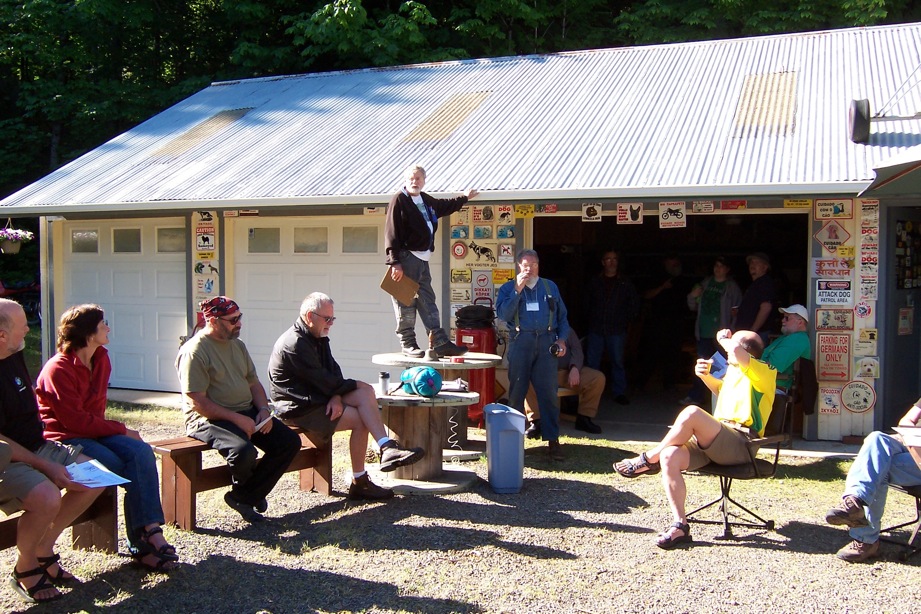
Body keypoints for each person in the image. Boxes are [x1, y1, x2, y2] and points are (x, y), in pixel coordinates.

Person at [36, 304, 178, 571]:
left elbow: (95, 412)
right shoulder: (58, 369)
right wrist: (122, 429)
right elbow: (73, 421)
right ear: (89, 333)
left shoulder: (101, 358)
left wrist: (118, 432)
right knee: (115, 464)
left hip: (94, 431)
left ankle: (149, 530)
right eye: (103, 324)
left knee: (140, 452)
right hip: (64, 437)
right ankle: (144, 543)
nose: (108, 328)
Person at [614, 329, 777, 550]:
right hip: (718, 442)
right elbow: (722, 391)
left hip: (742, 444)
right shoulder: (734, 373)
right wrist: (705, 376)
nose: (726, 348)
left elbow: (736, 350)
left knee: (692, 413)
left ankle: (648, 458)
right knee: (670, 455)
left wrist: (723, 339)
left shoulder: (764, 371)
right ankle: (679, 525)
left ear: (746, 351)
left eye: (732, 345)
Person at [268, 293, 424, 500]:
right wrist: (338, 392)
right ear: (309, 316)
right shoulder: (296, 343)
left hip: (316, 396)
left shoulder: (316, 335)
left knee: (365, 391)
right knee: (362, 417)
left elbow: (332, 372)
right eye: (327, 319)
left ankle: (386, 448)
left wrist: (337, 397)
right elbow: (323, 381)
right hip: (297, 407)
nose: (331, 324)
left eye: (333, 319)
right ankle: (361, 481)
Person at [0, 299, 104, 603]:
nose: (28, 331)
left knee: (94, 476)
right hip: (8, 458)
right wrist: (47, 467)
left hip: (36, 446)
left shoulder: (13, 353)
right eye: (22, 327)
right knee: (46, 497)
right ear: (1, 334)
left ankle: (43, 549)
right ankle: (25, 567)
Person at [176, 296, 301, 523]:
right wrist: (236, 419)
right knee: (243, 451)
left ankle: (246, 494)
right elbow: (197, 402)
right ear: (213, 320)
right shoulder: (194, 351)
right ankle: (252, 492)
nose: (239, 323)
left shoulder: (237, 345)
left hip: (246, 410)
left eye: (239, 317)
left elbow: (253, 383)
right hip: (207, 419)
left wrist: (263, 409)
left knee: (289, 442)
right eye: (233, 320)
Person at [385, 164, 479, 358]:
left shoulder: (425, 200)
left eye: (418, 178)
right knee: (405, 302)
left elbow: (443, 206)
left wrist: (464, 198)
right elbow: (391, 232)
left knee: (428, 301)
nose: (415, 182)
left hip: (422, 259)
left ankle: (440, 342)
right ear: (405, 180)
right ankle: (408, 343)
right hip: (406, 257)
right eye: (411, 178)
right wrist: (394, 262)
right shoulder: (399, 200)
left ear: (424, 180)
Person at [496, 249, 571, 460]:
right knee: (517, 393)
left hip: (547, 343)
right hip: (521, 342)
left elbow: (563, 318)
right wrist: (517, 290)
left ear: (538, 265)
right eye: (526, 265)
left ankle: (553, 441)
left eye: (534, 265)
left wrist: (562, 339)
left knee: (548, 393)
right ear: (519, 266)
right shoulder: (508, 288)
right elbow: (503, 315)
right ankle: (514, 442)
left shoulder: (550, 287)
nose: (530, 269)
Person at [825, 399, 921, 562]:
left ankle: (865, 540)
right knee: (877, 440)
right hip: (915, 449)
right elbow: (907, 420)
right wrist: (913, 443)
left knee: (877, 466)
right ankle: (854, 501)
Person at [682, 256, 742, 405]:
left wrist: (732, 332)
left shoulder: (732, 287)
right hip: (704, 332)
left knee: (723, 367)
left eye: (722, 266)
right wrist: (692, 296)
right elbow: (693, 305)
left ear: (727, 269)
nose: (718, 269)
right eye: (716, 265)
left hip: (722, 335)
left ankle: (723, 400)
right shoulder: (706, 283)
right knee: (702, 366)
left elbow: (737, 311)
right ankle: (696, 396)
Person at [525, 328, 606, 435]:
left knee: (597, 378)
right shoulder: (533, 328)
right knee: (526, 377)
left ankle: (584, 418)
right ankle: (536, 421)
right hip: (543, 372)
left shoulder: (565, 329)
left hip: (566, 372)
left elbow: (577, 350)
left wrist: (575, 368)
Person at [584, 249, 639, 405]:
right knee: (592, 363)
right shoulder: (594, 282)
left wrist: (626, 321)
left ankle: (619, 393)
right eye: (608, 259)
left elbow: (634, 305)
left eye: (614, 259)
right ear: (603, 262)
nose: (612, 262)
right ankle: (589, 394)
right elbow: (586, 304)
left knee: (617, 362)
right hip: (596, 328)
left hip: (617, 329)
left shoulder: (625, 283)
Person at [635, 255, 693, 394]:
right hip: (657, 322)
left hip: (676, 322)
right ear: (665, 262)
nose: (675, 263)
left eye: (677, 262)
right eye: (672, 260)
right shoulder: (657, 277)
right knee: (651, 353)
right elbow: (646, 295)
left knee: (673, 355)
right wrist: (662, 287)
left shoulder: (683, 280)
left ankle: (670, 383)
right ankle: (640, 383)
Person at [762, 304, 811, 394]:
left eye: (787, 318)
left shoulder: (798, 339)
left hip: (771, 388)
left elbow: (770, 367)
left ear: (800, 322)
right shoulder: (788, 337)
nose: (782, 320)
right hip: (764, 385)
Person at [735, 252, 777, 344]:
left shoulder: (765, 283)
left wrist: (752, 332)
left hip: (759, 334)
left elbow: (766, 307)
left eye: (756, 262)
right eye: (751, 263)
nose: (752, 265)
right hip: (749, 333)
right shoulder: (755, 284)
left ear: (765, 267)